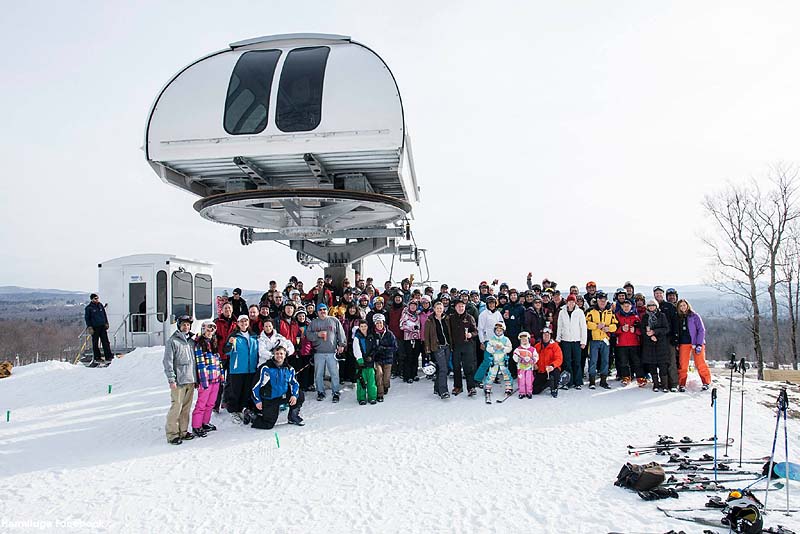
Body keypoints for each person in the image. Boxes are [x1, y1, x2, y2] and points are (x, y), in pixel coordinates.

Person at [250, 345, 305, 428]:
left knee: (299, 395)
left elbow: (294, 383)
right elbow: (255, 386)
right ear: (274, 355)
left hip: (282, 395)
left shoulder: (289, 369)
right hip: (270, 398)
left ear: (285, 355)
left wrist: (294, 395)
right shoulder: (265, 368)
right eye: (277, 353)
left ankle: (293, 417)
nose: (279, 356)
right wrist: (257, 400)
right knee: (268, 424)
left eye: (281, 354)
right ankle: (252, 416)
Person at [163, 315, 196, 445]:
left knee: (186, 408)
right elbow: (168, 361)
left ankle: (183, 431)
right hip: (179, 381)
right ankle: (172, 434)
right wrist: (171, 378)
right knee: (176, 406)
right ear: (179, 326)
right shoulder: (173, 341)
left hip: (191, 379)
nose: (186, 327)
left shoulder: (192, 341)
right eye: (183, 325)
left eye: (188, 325)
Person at [306, 303, 347, 403]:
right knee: (319, 374)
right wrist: (317, 334)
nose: (322, 311)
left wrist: (341, 344)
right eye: (320, 310)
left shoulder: (334, 320)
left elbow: (341, 333)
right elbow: (308, 335)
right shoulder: (314, 323)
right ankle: (320, 392)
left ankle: (336, 392)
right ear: (317, 311)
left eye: (324, 309)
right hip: (318, 352)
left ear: (327, 310)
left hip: (332, 352)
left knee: (334, 373)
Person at [224, 315, 259, 424]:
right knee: (235, 391)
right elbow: (226, 351)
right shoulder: (234, 336)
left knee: (246, 391)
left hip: (250, 368)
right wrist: (230, 343)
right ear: (238, 324)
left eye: (246, 321)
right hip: (237, 368)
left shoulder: (253, 336)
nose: (244, 324)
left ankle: (243, 408)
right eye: (241, 322)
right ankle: (233, 410)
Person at [191, 320, 222, 437]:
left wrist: (221, 376)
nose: (210, 332)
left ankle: (205, 422)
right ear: (203, 329)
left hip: (215, 378)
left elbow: (218, 361)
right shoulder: (200, 344)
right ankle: (196, 426)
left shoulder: (213, 342)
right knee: (202, 403)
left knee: (211, 403)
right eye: (208, 330)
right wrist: (203, 381)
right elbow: (200, 364)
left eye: (212, 330)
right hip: (206, 380)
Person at [676, 299, 711, 391]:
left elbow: (701, 330)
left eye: (684, 305)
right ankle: (682, 383)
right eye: (681, 306)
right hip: (684, 343)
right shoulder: (678, 317)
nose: (683, 307)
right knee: (683, 365)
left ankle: (706, 382)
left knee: (700, 363)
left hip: (696, 343)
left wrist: (699, 344)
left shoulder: (694, 316)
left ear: (687, 305)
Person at [446, 300, 479, 396]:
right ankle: (458, 387)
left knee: (468, 367)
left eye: (462, 306)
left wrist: (471, 334)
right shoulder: (451, 318)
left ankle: (471, 387)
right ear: (455, 308)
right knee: (456, 367)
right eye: (459, 306)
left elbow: (476, 331)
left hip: (468, 345)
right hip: (456, 346)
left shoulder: (469, 317)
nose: (461, 308)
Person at [585, 291, 618, 389]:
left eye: (604, 300)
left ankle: (603, 381)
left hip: (605, 339)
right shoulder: (591, 311)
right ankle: (592, 381)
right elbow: (585, 323)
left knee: (605, 360)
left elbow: (615, 325)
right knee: (593, 360)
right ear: (597, 301)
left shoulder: (610, 312)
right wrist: (596, 326)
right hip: (594, 339)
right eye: (600, 300)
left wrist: (608, 328)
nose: (602, 302)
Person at [641, 299, 673, 392]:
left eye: (653, 305)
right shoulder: (645, 317)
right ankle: (655, 384)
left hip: (661, 343)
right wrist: (649, 335)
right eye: (650, 305)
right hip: (649, 344)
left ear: (656, 306)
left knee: (663, 365)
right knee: (652, 365)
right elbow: (642, 330)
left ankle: (665, 385)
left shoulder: (662, 316)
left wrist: (655, 332)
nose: (651, 307)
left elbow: (666, 329)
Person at [556, 294, 587, 389]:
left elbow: (583, 327)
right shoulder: (562, 312)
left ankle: (578, 382)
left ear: (575, 302)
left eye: (573, 301)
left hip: (576, 340)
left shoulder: (579, 312)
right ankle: (568, 382)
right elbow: (560, 326)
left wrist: (583, 341)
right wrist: (558, 339)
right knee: (567, 362)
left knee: (577, 361)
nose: (571, 303)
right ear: (567, 302)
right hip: (566, 340)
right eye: (569, 301)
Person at [366, 313, 398, 402]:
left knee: (386, 378)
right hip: (377, 359)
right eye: (377, 323)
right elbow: (370, 346)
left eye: (380, 323)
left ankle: (386, 386)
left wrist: (384, 349)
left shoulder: (389, 334)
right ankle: (380, 394)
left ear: (383, 323)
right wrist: (373, 352)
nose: (379, 325)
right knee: (379, 374)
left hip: (388, 359)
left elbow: (395, 347)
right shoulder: (372, 334)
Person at [423, 301, 451, 399]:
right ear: (434, 309)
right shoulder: (429, 320)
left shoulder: (447, 318)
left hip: (447, 346)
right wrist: (427, 350)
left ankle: (436, 387)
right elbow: (426, 336)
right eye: (437, 308)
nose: (439, 310)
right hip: (437, 347)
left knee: (442, 368)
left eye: (441, 308)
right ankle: (443, 391)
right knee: (443, 369)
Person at [481, 322, 513, 403]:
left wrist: (503, 348)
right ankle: (487, 388)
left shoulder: (505, 339)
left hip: (503, 360)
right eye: (497, 330)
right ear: (495, 331)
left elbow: (509, 348)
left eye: (500, 330)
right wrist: (494, 349)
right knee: (491, 374)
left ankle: (509, 388)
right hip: (494, 360)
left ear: (503, 331)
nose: (498, 332)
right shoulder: (492, 339)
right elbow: (488, 348)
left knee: (506, 374)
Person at [614, 300, 644, 387]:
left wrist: (635, 330)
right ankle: (626, 377)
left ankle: (640, 377)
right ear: (622, 307)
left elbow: (641, 331)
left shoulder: (635, 317)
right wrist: (621, 329)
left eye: (628, 306)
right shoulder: (617, 316)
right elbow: (613, 330)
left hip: (634, 343)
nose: (626, 307)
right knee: (624, 362)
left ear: (631, 306)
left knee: (637, 361)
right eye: (624, 306)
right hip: (621, 343)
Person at [532, 327, 563, 397]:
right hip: (541, 371)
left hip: (551, 370)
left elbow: (559, 359)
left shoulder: (555, 346)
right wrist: (534, 364)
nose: (546, 336)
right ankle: (547, 383)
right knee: (535, 390)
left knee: (554, 373)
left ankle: (554, 387)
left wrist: (552, 366)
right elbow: (532, 357)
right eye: (544, 335)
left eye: (548, 335)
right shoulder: (537, 346)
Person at [353, 320, 378, 405]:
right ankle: (361, 397)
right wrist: (360, 360)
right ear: (359, 327)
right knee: (361, 380)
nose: (363, 328)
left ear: (367, 327)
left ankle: (372, 397)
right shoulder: (357, 337)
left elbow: (374, 348)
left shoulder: (371, 336)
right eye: (362, 326)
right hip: (361, 363)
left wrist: (371, 356)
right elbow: (356, 349)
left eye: (365, 326)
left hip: (370, 362)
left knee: (371, 380)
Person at [85, 293, 113, 364]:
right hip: (95, 327)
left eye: (97, 298)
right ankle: (97, 357)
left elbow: (104, 314)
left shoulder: (100, 305)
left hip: (102, 326)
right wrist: (90, 327)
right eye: (95, 298)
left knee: (105, 342)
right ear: (92, 299)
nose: (97, 300)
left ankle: (108, 356)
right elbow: (87, 318)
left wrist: (106, 322)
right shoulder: (89, 308)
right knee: (95, 343)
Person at [399, 300, 423, 383]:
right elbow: (401, 325)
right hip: (408, 338)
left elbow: (419, 325)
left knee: (415, 356)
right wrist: (411, 328)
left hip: (417, 338)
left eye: (415, 305)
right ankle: (407, 375)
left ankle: (414, 374)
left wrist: (417, 329)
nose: (413, 307)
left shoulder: (417, 314)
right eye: (411, 305)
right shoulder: (405, 314)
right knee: (408, 357)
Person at [513, 332, 538, 399]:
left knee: (529, 380)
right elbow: (515, 357)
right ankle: (522, 392)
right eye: (522, 340)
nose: (524, 341)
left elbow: (536, 356)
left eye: (525, 339)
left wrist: (532, 360)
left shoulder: (532, 349)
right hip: (521, 368)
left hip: (529, 368)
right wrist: (520, 360)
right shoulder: (518, 349)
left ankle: (529, 392)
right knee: (521, 380)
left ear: (528, 340)